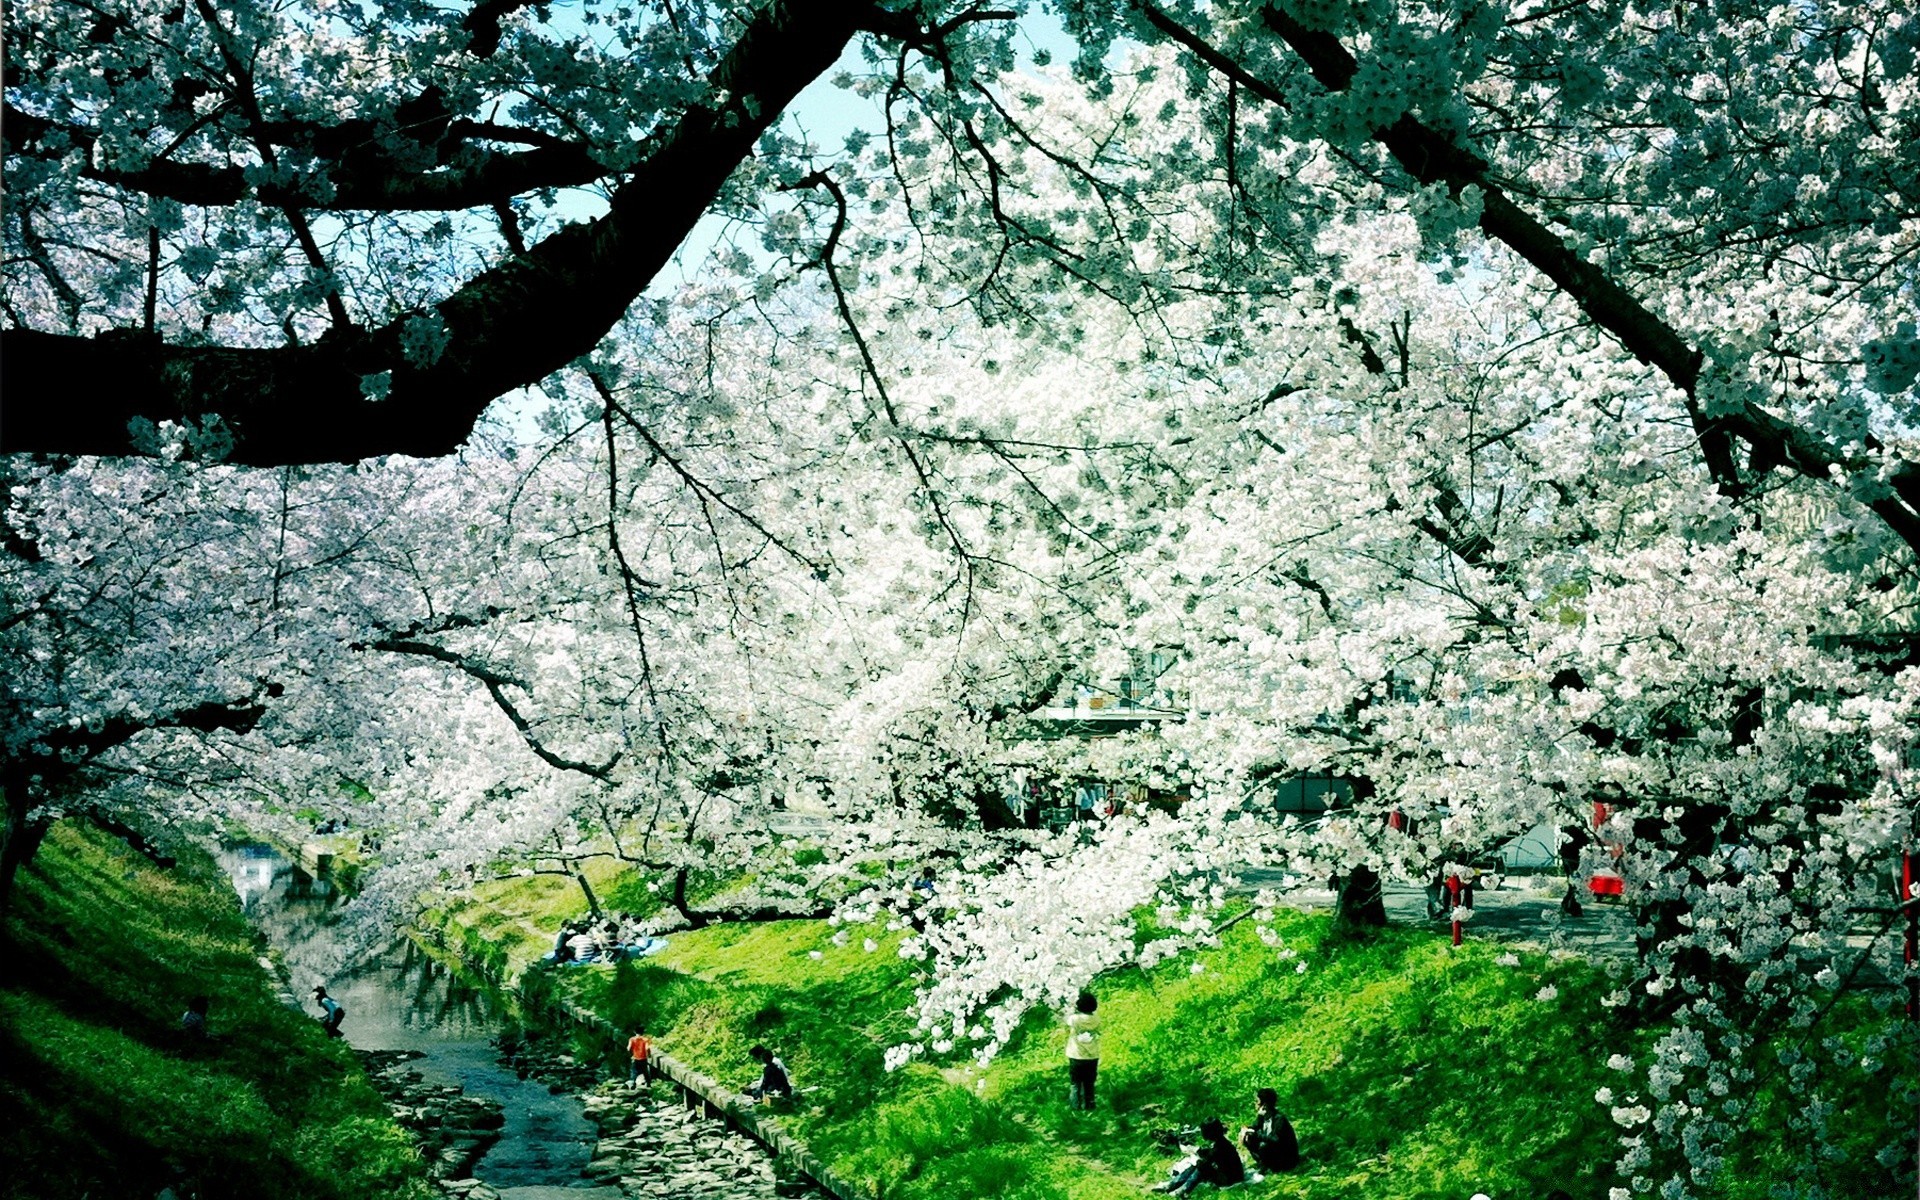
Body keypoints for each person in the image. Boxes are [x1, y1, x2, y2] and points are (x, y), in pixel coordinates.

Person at [1156, 1118, 1244, 1195]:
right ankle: (1174, 1186)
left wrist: (1196, 1157)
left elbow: (1205, 1162)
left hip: (1230, 1179)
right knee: (1198, 1165)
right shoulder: (1222, 1142)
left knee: (1200, 1168)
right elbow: (1211, 1155)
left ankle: (1182, 1190)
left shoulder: (1219, 1147)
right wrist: (1198, 1151)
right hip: (1233, 1175)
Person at [1239, 1087, 1298, 1172]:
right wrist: (1245, 1131)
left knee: (1264, 1146)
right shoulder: (1263, 1116)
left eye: (1257, 1102)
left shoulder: (1279, 1119)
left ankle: (1272, 1167)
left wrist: (1257, 1135)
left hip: (1286, 1156)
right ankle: (1263, 1164)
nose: (1255, 1104)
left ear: (1264, 1105)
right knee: (1249, 1138)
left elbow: (1275, 1139)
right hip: (1275, 1151)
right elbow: (1254, 1127)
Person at [1065, 990, 1101, 1110]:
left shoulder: (1075, 1019)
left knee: (1075, 1083)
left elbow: (1067, 1020)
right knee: (1089, 1083)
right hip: (1092, 1056)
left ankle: (1075, 1107)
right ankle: (1090, 1105)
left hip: (1076, 1056)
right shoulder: (1096, 1019)